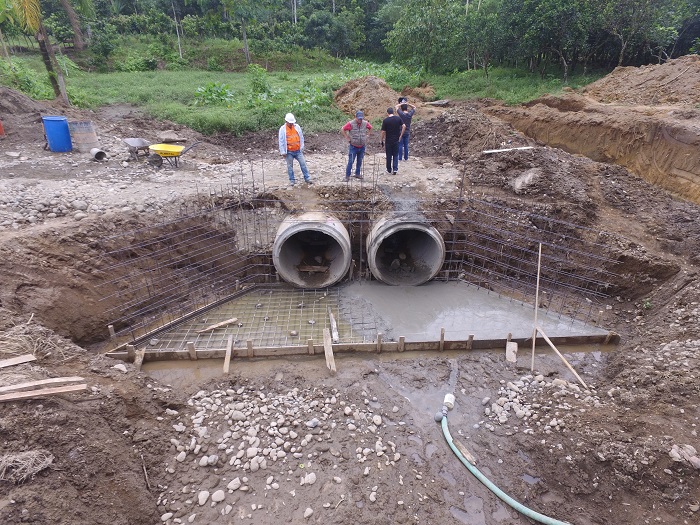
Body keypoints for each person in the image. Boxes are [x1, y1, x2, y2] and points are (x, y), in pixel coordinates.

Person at [278, 112, 312, 186]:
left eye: (292, 123)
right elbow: (281, 141)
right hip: (289, 151)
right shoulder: (282, 129)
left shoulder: (297, 127)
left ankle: (307, 178)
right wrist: (283, 152)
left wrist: (302, 147)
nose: (291, 124)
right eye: (290, 123)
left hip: (298, 150)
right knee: (290, 166)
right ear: (286, 121)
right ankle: (292, 180)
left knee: (303, 164)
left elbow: (301, 137)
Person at [341, 110, 372, 181]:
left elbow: (370, 127)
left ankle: (357, 174)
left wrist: (368, 135)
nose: (360, 120)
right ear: (355, 117)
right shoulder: (350, 124)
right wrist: (347, 137)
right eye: (359, 118)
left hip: (362, 146)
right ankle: (347, 176)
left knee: (359, 161)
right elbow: (343, 129)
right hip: (353, 146)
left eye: (361, 118)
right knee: (350, 161)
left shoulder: (365, 123)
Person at [380, 107, 405, 174]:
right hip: (396, 140)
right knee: (395, 155)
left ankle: (389, 169)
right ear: (393, 112)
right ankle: (395, 169)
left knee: (389, 155)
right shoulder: (398, 118)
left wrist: (382, 140)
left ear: (387, 113)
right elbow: (404, 126)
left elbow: (383, 132)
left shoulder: (385, 120)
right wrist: (401, 135)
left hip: (388, 141)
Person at [395, 97, 416, 162]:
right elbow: (414, 107)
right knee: (406, 145)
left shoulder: (401, 114)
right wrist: (408, 103)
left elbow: (396, 106)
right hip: (407, 131)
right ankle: (406, 158)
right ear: (407, 108)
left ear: (402, 108)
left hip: (401, 131)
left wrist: (402, 104)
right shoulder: (409, 114)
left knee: (400, 145)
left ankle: (400, 158)